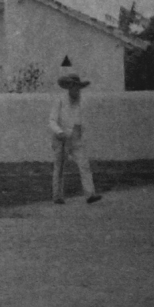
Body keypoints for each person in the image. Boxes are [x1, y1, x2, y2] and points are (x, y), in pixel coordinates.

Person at [49, 69, 102, 205]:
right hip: (61, 138)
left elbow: (81, 119)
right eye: (74, 87)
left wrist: (81, 132)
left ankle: (90, 194)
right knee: (59, 167)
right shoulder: (60, 100)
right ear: (69, 87)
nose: (76, 90)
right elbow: (52, 120)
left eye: (78, 87)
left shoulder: (81, 101)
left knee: (84, 164)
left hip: (76, 137)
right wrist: (59, 132)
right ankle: (57, 196)